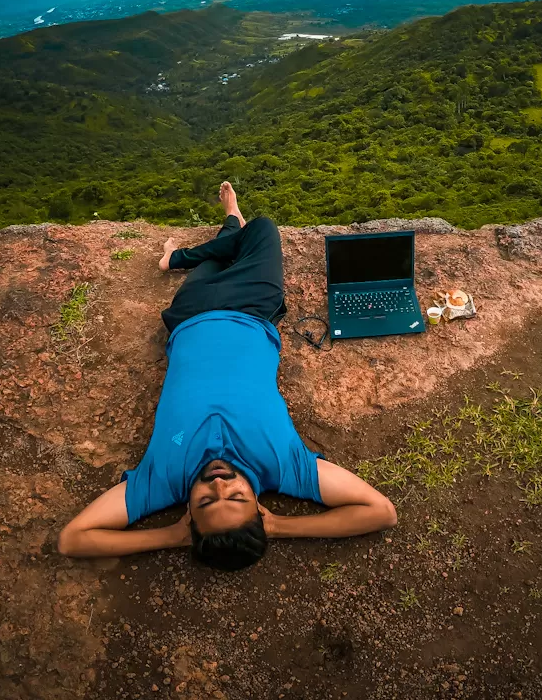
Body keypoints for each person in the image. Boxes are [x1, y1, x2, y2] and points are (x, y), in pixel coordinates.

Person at [57, 182, 397, 571]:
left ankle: (200, 244)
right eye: (235, 498)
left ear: (187, 512)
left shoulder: (163, 480)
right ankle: (225, 226)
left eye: (205, 501)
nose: (218, 484)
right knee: (264, 228)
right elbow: (381, 511)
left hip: (192, 312)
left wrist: (170, 537)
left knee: (219, 258)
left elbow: (72, 539)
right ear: (258, 506)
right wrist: (284, 527)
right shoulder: (285, 467)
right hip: (252, 309)